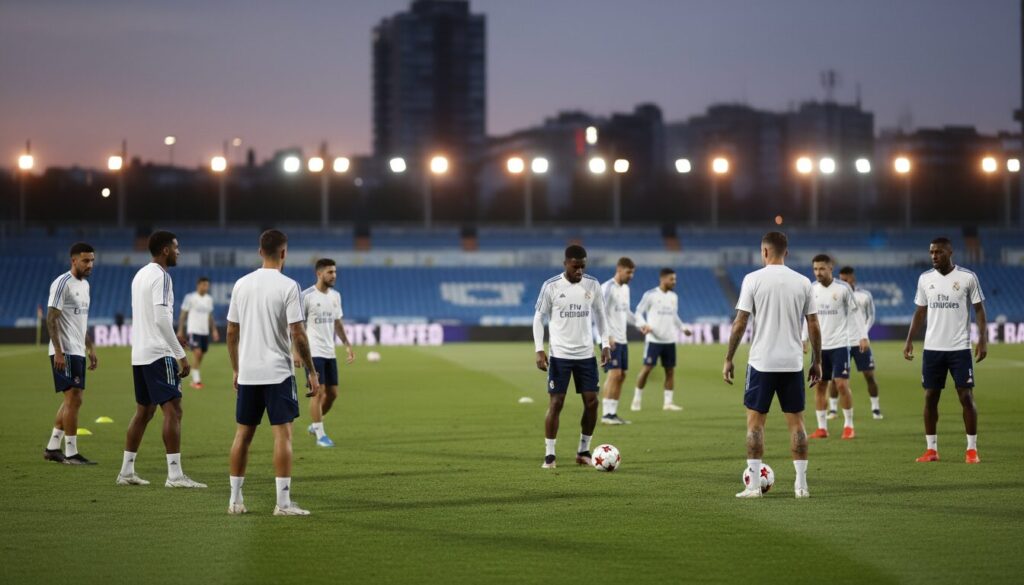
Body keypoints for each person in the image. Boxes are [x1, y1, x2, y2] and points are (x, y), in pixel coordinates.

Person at [227, 229, 321, 515]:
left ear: (259, 252)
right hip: (278, 372)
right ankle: (282, 504)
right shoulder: (288, 286)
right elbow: (299, 334)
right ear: (284, 253)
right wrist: (312, 371)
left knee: (243, 434)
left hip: (248, 373)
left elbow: (231, 332)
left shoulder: (241, 285)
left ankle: (235, 501)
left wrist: (236, 369)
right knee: (283, 435)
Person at [724, 231, 821, 499]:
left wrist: (729, 358)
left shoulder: (753, 279)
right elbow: (813, 324)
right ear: (786, 252)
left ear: (764, 252)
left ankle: (754, 486)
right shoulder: (803, 282)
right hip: (792, 362)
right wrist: (817, 361)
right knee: (797, 424)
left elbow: (740, 322)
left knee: (755, 425)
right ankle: (801, 486)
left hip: (761, 362)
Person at [117, 231, 205, 488]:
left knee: (143, 412)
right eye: (176, 247)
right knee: (174, 410)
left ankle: (126, 471)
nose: (179, 252)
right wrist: (180, 354)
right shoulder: (162, 277)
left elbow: (151, 318)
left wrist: (176, 340)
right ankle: (175, 475)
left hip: (140, 354)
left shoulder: (140, 275)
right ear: (165, 250)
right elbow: (161, 319)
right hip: (159, 353)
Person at [903, 237, 987, 464]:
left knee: (966, 397)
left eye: (938, 252)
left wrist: (983, 340)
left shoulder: (967, 277)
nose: (933, 256)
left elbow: (979, 310)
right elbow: (920, 312)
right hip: (932, 349)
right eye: (931, 252)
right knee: (930, 398)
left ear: (950, 252)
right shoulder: (925, 279)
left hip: (959, 348)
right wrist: (910, 339)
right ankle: (931, 450)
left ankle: (971, 450)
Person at [533, 245, 610, 469]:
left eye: (583, 266)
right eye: (576, 266)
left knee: (592, 402)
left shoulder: (592, 284)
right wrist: (539, 349)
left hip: (586, 354)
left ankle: (583, 450)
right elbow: (538, 319)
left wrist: (605, 343)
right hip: (560, 355)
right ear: (565, 263)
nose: (579, 271)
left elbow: (601, 315)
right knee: (556, 403)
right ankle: (550, 454)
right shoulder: (551, 286)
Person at [43, 242, 99, 465]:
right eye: (86, 260)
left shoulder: (84, 286)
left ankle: (52, 448)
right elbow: (51, 317)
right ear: (73, 261)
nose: (90, 265)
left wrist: (90, 347)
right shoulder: (62, 283)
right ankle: (71, 452)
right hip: (64, 351)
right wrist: (58, 351)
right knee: (74, 398)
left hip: (78, 350)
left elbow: (80, 321)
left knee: (72, 400)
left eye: (92, 260)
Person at [296, 258, 355, 448]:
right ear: (319, 273)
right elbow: (296, 326)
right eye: (330, 272)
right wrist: (296, 351)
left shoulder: (335, 296)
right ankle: (320, 434)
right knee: (317, 392)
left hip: (330, 352)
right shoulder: (307, 296)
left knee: (333, 393)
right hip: (312, 352)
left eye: (335, 272)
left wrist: (347, 343)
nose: (334, 275)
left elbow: (337, 323)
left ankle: (315, 424)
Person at [805, 254, 865, 440]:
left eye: (822, 268)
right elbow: (807, 317)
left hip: (840, 344)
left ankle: (849, 425)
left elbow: (856, 313)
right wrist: (803, 338)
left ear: (830, 269)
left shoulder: (843, 288)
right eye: (815, 269)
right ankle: (822, 428)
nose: (818, 272)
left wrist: (863, 335)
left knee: (841, 384)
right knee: (820, 386)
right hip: (819, 347)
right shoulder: (811, 289)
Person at [630, 268, 689, 412]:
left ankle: (668, 403)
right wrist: (644, 325)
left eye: (675, 279)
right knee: (647, 370)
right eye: (671, 279)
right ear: (663, 279)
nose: (674, 282)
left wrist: (682, 328)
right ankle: (636, 400)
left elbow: (674, 315)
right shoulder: (650, 295)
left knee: (670, 371)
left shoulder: (673, 297)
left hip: (669, 340)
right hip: (654, 340)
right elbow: (638, 312)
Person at [834, 266, 883, 419]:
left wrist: (864, 334)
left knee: (869, 375)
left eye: (846, 279)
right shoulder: (836, 294)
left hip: (859, 341)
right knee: (835, 378)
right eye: (841, 279)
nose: (843, 282)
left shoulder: (864, 295)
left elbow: (870, 316)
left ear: (852, 278)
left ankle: (875, 408)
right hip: (842, 341)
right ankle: (833, 409)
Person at [599, 257, 636, 425]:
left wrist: (641, 324)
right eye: (629, 272)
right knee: (614, 374)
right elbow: (600, 314)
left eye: (632, 272)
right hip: (610, 338)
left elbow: (627, 312)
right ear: (619, 269)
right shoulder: (606, 288)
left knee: (622, 375)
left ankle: (613, 413)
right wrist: (607, 337)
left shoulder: (626, 289)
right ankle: (606, 414)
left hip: (622, 338)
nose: (631, 275)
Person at [178, 276, 219, 389]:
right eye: (204, 285)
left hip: (204, 331)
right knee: (198, 353)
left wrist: (214, 330)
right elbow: (183, 314)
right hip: (194, 330)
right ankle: (196, 380)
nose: (206, 287)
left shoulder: (209, 299)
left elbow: (210, 316)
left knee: (201, 354)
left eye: (207, 285)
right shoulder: (190, 297)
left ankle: (195, 371)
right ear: (199, 285)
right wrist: (181, 329)